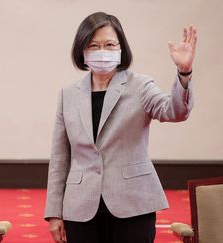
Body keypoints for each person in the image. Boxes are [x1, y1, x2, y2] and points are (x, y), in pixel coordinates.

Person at [44, 12, 196, 243]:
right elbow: (60, 157)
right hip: (80, 206)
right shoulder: (68, 95)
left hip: (132, 203)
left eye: (109, 44)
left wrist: (184, 73)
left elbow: (175, 111)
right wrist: (54, 212)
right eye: (93, 45)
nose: (101, 51)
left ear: (121, 48)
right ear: (82, 51)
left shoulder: (140, 86)